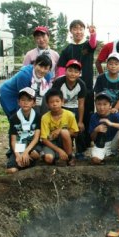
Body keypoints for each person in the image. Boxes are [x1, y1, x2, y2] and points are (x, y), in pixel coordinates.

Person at [57, 20, 97, 150]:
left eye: (81, 29)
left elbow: (93, 44)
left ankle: (86, 142)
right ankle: (67, 141)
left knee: (86, 114)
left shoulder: (87, 46)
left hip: (87, 87)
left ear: (84, 31)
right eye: (75, 29)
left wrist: (93, 34)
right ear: (71, 31)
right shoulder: (67, 49)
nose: (78, 31)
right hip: (71, 90)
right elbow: (62, 68)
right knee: (69, 114)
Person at [0, 53, 52, 120]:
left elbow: (42, 95)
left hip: (29, 95)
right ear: (35, 64)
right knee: (15, 118)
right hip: (8, 94)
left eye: (45, 68)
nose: (42, 70)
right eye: (40, 66)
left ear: (49, 69)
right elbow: (23, 97)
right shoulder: (24, 75)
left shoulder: (48, 75)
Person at [52, 59, 87, 160]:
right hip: (61, 107)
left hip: (75, 107)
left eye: (76, 72)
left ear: (79, 73)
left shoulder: (81, 84)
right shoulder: (59, 82)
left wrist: (80, 121)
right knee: (62, 127)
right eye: (70, 70)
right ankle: (64, 148)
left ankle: (80, 151)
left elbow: (81, 104)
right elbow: (54, 98)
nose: (73, 74)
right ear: (65, 71)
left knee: (78, 128)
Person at [5, 87, 42, 174]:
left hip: (31, 145)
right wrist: (18, 155)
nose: (25, 103)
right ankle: (17, 160)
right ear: (18, 102)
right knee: (12, 170)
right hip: (19, 144)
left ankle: (31, 162)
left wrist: (26, 152)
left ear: (33, 103)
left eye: (29, 100)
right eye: (23, 100)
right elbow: (13, 140)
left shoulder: (37, 116)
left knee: (34, 154)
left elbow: (36, 138)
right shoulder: (14, 118)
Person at [88, 92, 119, 165]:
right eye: (99, 104)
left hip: (114, 142)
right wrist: (96, 130)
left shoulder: (114, 114)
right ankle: (105, 156)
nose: (101, 107)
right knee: (95, 160)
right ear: (95, 105)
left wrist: (110, 123)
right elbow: (92, 138)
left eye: (105, 104)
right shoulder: (94, 117)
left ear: (110, 106)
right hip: (101, 144)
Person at [40, 89, 79, 166]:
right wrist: (59, 150)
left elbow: (75, 133)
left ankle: (70, 157)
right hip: (51, 143)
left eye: (57, 101)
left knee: (64, 132)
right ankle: (57, 156)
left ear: (62, 102)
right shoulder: (45, 118)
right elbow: (44, 139)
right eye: (51, 102)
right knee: (49, 159)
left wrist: (60, 130)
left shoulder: (69, 115)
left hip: (64, 141)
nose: (55, 104)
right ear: (47, 104)